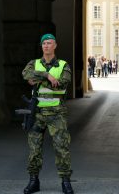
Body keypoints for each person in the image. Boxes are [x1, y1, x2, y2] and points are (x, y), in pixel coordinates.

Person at [22, 33, 74, 194]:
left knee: (61, 148)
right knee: (34, 149)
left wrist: (39, 80)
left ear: (55, 45)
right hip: (37, 113)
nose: (46, 46)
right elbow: (26, 75)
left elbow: (63, 84)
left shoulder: (63, 65)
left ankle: (65, 181)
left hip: (57, 113)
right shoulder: (34, 63)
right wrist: (47, 76)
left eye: (49, 43)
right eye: (44, 43)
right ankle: (33, 181)